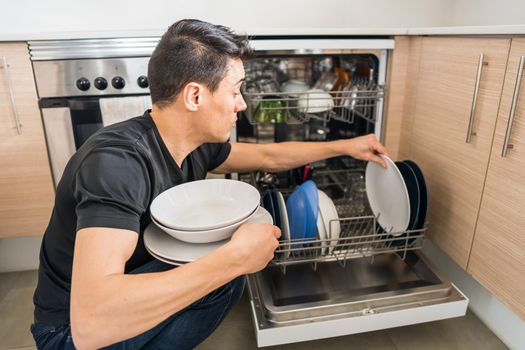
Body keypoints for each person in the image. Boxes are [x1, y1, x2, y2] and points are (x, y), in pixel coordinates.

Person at [31, 19, 389, 350]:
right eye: (235, 90)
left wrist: (346, 146)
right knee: (226, 271)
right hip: (67, 333)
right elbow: (91, 322)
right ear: (195, 97)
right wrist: (232, 260)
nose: (242, 104)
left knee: (224, 273)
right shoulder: (118, 163)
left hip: (114, 299)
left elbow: (269, 157)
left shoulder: (194, 144)